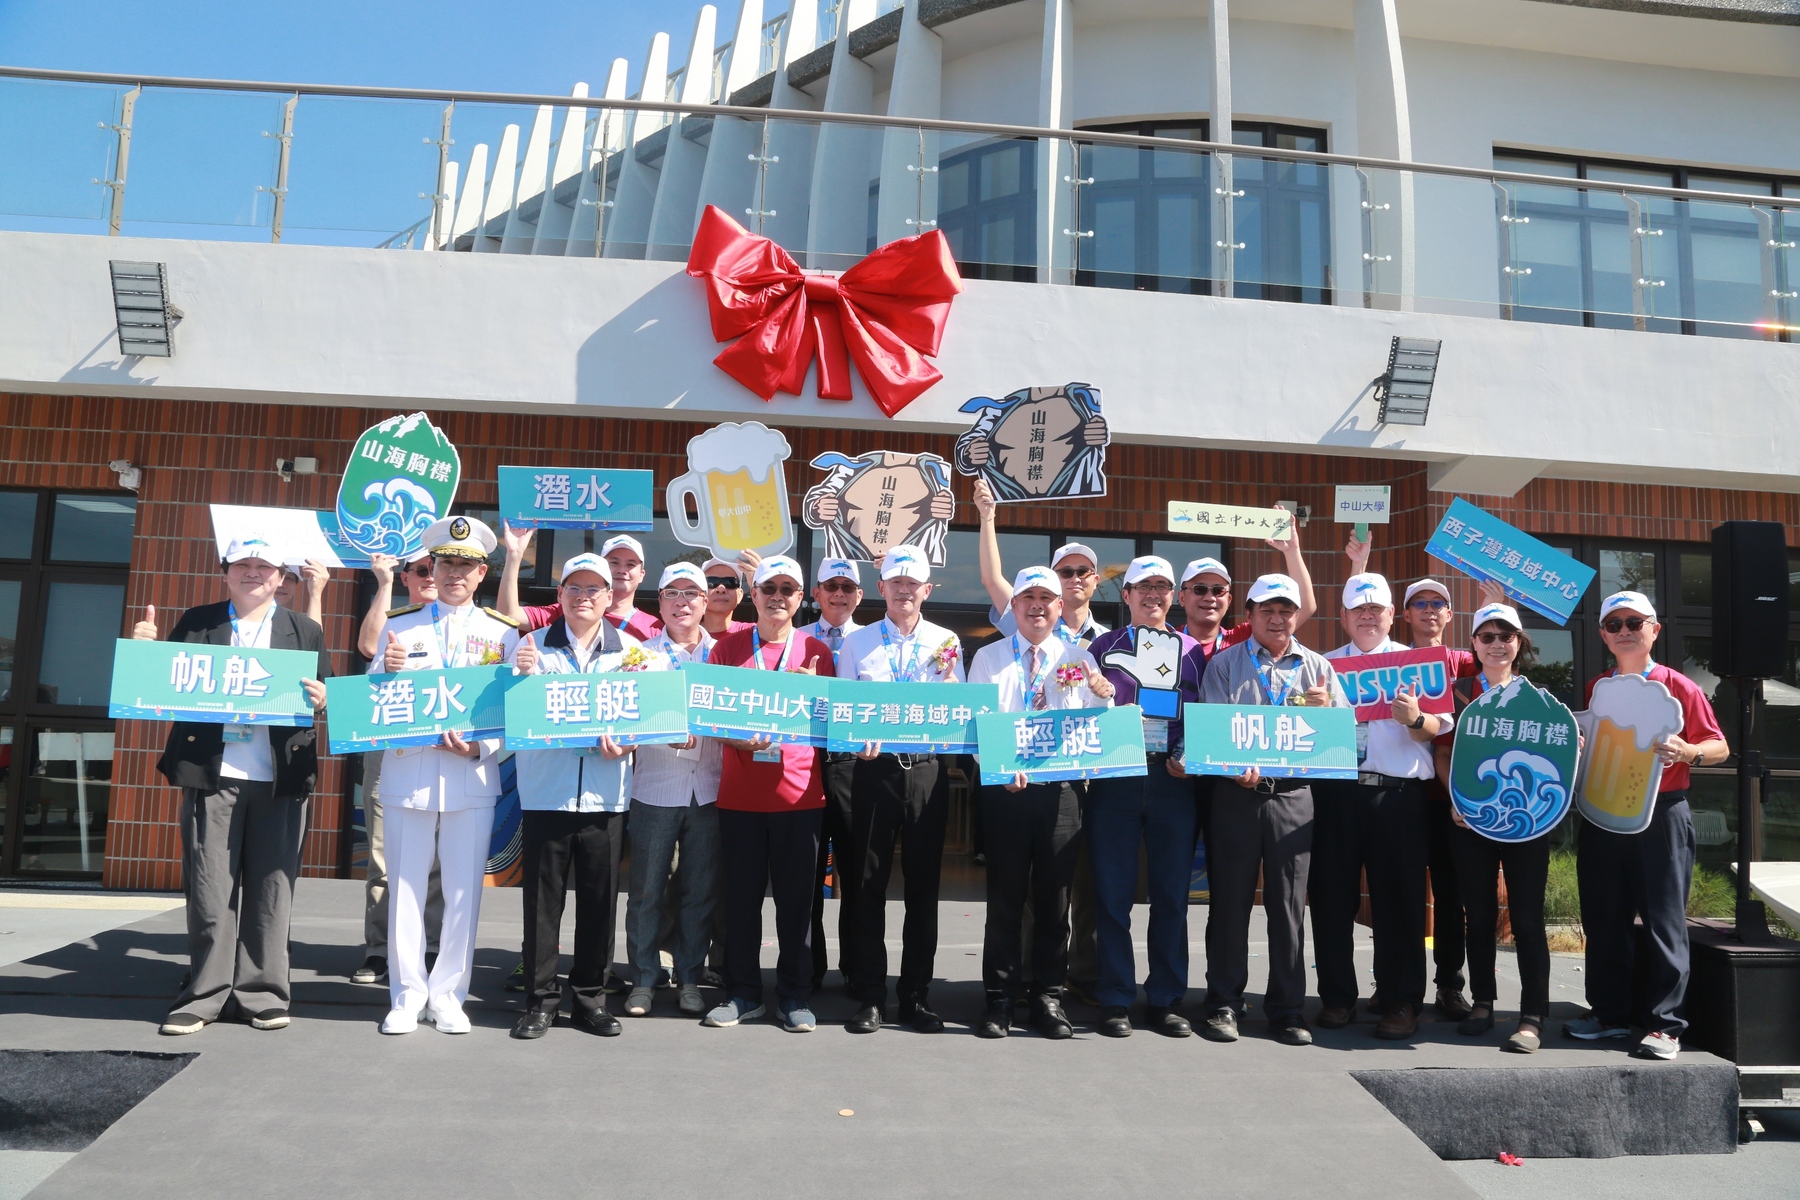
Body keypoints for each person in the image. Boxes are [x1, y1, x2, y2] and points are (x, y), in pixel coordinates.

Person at [141, 535, 331, 1036]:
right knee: (209, 888)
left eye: (264, 566)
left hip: (279, 778)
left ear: (281, 578)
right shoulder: (198, 623)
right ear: (226, 572)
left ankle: (262, 993)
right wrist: (144, 656)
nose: (253, 573)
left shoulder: (303, 629)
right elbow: (161, 686)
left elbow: (325, 694)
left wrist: (321, 698)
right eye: (242, 564)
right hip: (212, 774)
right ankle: (203, 995)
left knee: (273, 890)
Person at [371, 516, 522, 1035]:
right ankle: (407, 994)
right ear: (431, 568)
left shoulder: (502, 634)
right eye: (445, 563)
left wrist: (483, 745)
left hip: (471, 776)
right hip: (410, 771)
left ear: (483, 573)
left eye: (467, 564)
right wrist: (385, 674)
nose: (455, 572)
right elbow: (369, 705)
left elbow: (513, 708)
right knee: (406, 889)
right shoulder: (401, 625)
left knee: (463, 893)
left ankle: (449, 994)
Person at [1566, 590, 1727, 1062]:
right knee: (1603, 917)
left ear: (1655, 629)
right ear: (1603, 635)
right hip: (1604, 812)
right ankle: (1609, 1015)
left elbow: (1718, 745)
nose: (1625, 631)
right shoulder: (1599, 686)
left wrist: (1690, 751)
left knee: (1663, 919)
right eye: (1614, 624)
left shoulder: (1678, 685)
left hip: (1661, 812)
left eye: (1635, 622)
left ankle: (1665, 1026)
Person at [1199, 573, 1349, 1047]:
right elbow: (1215, 731)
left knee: (1288, 908)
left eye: (1286, 610)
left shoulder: (1319, 668)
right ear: (1249, 616)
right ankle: (1224, 1003)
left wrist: (1327, 716)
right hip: (1236, 795)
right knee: (1229, 904)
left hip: (1293, 796)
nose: (1278, 618)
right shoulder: (1223, 665)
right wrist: (1232, 765)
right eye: (1267, 610)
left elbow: (1344, 740)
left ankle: (1286, 1010)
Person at [971, 481, 1107, 1002]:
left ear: (1058, 606)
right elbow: (979, 728)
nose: (1036, 607)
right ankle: (1000, 997)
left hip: (1063, 793)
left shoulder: (1078, 657)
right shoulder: (988, 658)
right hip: (1007, 791)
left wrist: (1102, 695)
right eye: (1027, 598)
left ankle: (1050, 996)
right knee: (1005, 900)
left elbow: (1096, 725)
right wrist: (1003, 768)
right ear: (1016, 606)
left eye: (1046, 599)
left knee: (1056, 900)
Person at [702, 555, 836, 1032]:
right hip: (739, 796)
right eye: (768, 588)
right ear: (752, 594)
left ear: (801, 599)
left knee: (798, 904)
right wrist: (740, 739)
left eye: (788, 589)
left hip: (800, 798)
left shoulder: (817, 650)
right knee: (739, 900)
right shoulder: (727, 648)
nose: (778, 596)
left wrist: (815, 694)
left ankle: (795, 996)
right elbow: (710, 717)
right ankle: (742, 992)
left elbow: (830, 724)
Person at [1315, 573, 1448, 1041]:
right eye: (1358, 610)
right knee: (1332, 900)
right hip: (1337, 792)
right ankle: (1336, 998)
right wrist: (1314, 711)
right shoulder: (1321, 667)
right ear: (1344, 618)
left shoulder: (1418, 664)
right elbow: (1305, 737)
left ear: (1393, 615)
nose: (1368, 616)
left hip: (1399, 795)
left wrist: (1415, 718)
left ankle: (1401, 1001)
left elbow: (1435, 729)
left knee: (1401, 903)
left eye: (1377, 609)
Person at [837, 544, 964, 1034]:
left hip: (927, 773)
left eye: (914, 583)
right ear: (881, 588)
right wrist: (854, 742)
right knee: (866, 886)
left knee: (923, 889)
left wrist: (952, 686)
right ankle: (870, 995)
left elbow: (962, 712)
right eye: (896, 582)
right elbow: (845, 714)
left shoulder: (946, 640)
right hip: (874, 772)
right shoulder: (858, 644)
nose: (905, 590)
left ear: (927, 590)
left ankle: (915, 995)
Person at [509, 552, 635, 1040]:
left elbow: (647, 718)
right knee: (542, 905)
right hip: (546, 793)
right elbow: (507, 712)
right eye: (574, 589)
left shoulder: (633, 652)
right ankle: (540, 1002)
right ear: (559, 596)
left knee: (600, 905)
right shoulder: (529, 648)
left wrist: (629, 739)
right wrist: (516, 678)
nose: (584, 598)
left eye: (593, 590)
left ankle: (590, 1000)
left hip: (607, 797)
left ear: (610, 597)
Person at [1085, 556, 1208, 1038]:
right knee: (1112, 895)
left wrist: (1185, 751)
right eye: (1144, 586)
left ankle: (1165, 998)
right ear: (1126, 595)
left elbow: (1205, 716)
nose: (1153, 594)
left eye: (1162, 586)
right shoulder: (1102, 647)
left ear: (1173, 595)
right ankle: (1115, 997)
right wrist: (1099, 700)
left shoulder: (1195, 651)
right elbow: (1077, 713)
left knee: (1172, 895)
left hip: (1172, 782)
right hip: (1115, 780)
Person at [1433, 602, 1554, 1054]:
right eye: (1487, 636)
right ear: (1474, 645)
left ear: (1519, 644)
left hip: (1528, 822)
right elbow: (1442, 755)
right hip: (1470, 820)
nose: (1497, 644)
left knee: (1525, 917)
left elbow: (1557, 762)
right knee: (1478, 913)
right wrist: (1458, 799)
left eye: (1506, 636)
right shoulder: (1458, 691)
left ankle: (1532, 1015)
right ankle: (1483, 1001)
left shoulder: (1539, 699)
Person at [622, 562, 722, 1020]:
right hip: (655, 787)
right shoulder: (637, 656)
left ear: (706, 603)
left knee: (699, 892)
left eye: (692, 594)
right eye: (672, 594)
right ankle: (642, 978)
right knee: (645, 890)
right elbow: (622, 717)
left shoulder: (727, 656)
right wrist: (661, 730)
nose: (682, 602)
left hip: (711, 790)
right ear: (658, 602)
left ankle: (689, 978)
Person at [349, 549, 442, 987]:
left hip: (449, 754)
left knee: (442, 856)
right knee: (385, 856)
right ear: (407, 576)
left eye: (436, 569)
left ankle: (434, 945)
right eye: (421, 570)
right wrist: (382, 583)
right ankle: (380, 949)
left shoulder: (469, 625)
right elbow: (368, 647)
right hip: (392, 752)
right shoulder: (396, 619)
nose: (430, 577)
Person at [805, 557, 864, 992]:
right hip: (804, 764)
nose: (839, 593)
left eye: (847, 586)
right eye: (831, 586)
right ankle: (808, 966)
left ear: (859, 595)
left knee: (856, 870)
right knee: (806, 872)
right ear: (816, 593)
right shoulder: (798, 638)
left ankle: (855, 965)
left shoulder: (872, 642)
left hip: (855, 768)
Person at [494, 526, 664, 640]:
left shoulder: (653, 628)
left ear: (642, 575)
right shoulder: (569, 610)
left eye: (631, 564)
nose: (622, 570)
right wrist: (514, 555)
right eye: (614, 562)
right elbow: (508, 614)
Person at [701, 554, 758, 637]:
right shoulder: (683, 633)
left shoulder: (754, 633)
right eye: (712, 582)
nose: (721, 589)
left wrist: (761, 584)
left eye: (730, 582)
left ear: (740, 595)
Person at [272, 559, 328, 628]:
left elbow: (313, 637)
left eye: (288, 579)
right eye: (278, 577)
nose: (281, 584)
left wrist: (315, 595)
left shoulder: (294, 624)